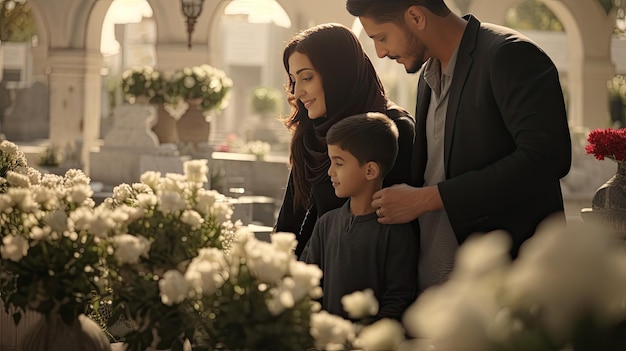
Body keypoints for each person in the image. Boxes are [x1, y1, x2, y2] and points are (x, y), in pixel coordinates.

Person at [346, 0, 572, 292]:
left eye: (381, 37)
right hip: (436, 293)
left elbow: (546, 158)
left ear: (416, 16)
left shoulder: (510, 55)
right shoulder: (427, 78)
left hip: (506, 289)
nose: (380, 52)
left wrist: (427, 199)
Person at [274, 23, 416, 258]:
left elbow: (396, 233)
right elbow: (289, 222)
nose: (297, 92)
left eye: (306, 78)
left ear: (337, 73)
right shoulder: (312, 132)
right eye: (293, 80)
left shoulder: (393, 129)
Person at [301, 112, 418, 323]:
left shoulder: (396, 231)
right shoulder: (325, 225)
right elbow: (307, 285)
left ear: (370, 170)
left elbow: (398, 298)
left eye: (339, 163)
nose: (330, 172)